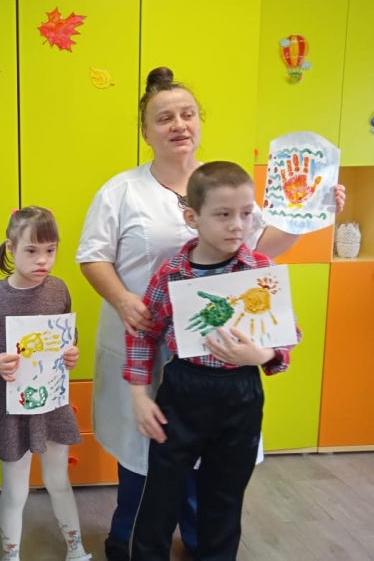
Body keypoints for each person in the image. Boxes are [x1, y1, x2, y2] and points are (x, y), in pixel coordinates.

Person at [76, 66, 346, 561]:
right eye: (164, 118)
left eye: (187, 114)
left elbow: (261, 248)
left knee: (213, 469)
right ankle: (132, 543)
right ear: (146, 132)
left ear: (200, 122)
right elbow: (92, 255)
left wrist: (311, 209)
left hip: (219, 356)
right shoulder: (122, 191)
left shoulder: (225, 185)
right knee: (146, 462)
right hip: (143, 336)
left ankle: (203, 543)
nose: (178, 124)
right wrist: (124, 301)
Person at [125, 161, 300, 559]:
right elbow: (143, 332)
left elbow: (287, 335)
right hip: (183, 391)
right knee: (161, 496)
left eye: (246, 214)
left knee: (225, 497)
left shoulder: (261, 270)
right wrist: (138, 396)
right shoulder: (171, 274)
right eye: (223, 215)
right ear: (193, 218)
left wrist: (262, 355)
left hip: (240, 393)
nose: (237, 226)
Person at [0, 207, 91, 561]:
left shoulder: (58, 289)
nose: (43, 260)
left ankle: (76, 548)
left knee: (58, 481)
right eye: (31, 250)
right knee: (15, 490)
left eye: (50, 250)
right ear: (11, 248)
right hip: (12, 405)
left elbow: (68, 335)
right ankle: (10, 555)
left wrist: (72, 352)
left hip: (52, 400)